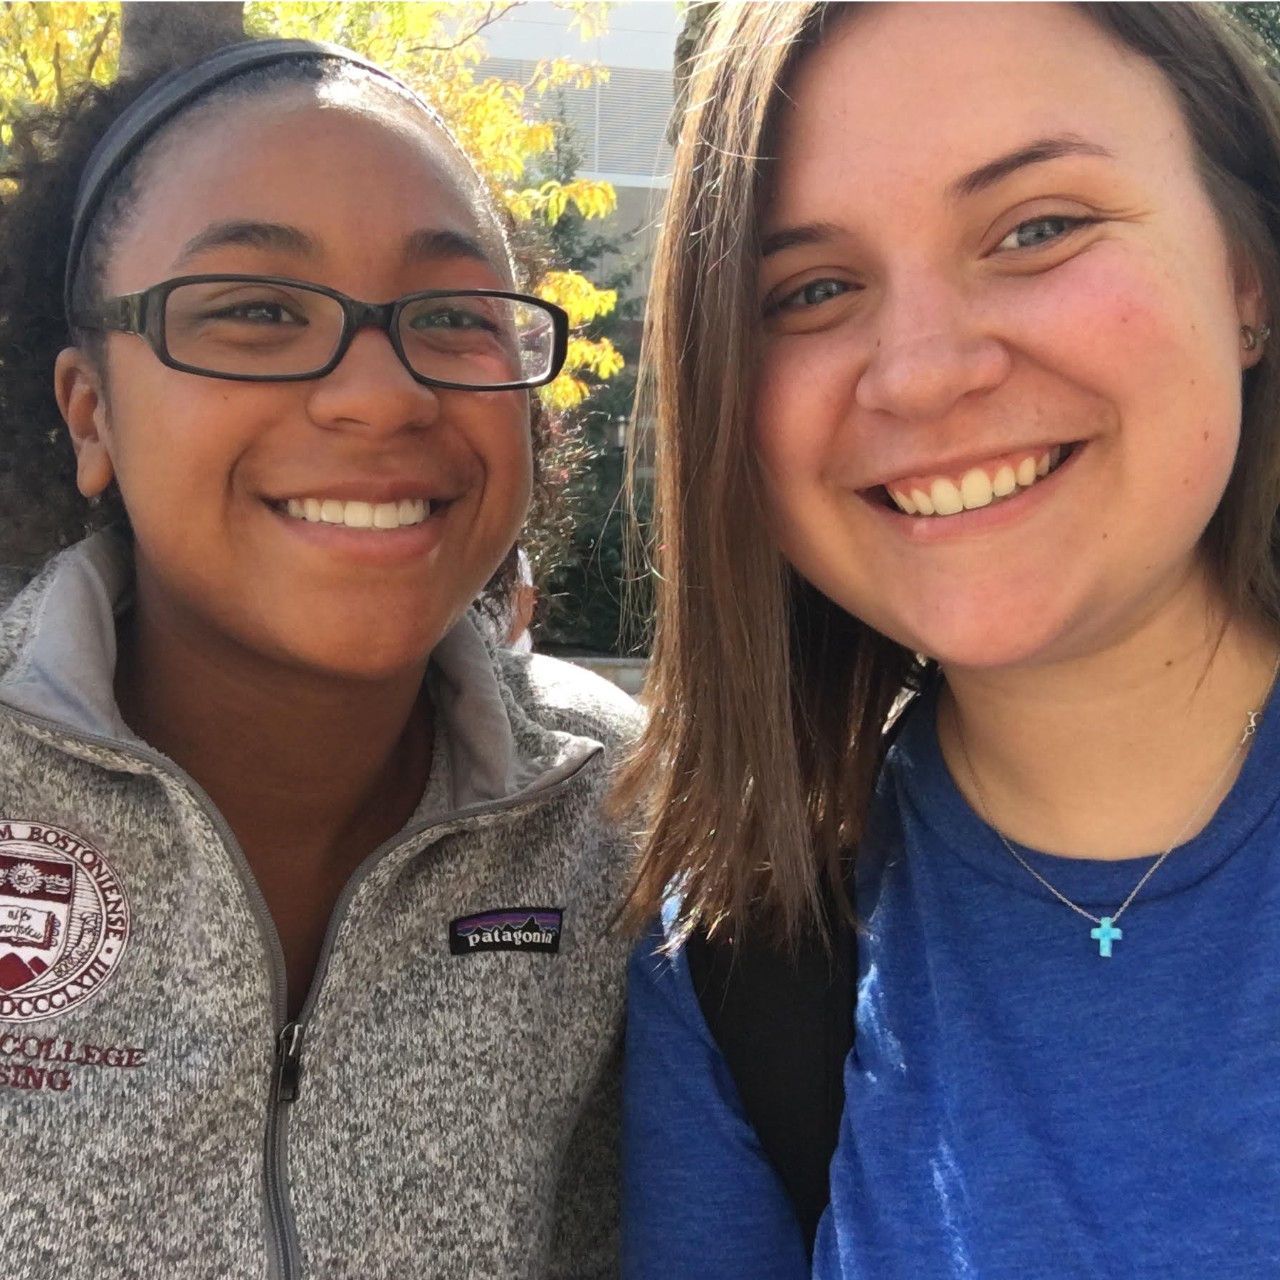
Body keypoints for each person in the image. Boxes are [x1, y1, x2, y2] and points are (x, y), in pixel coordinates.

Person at [618, 3, 1280, 1276]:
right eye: (809, 289)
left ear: (1244, 276)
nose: (918, 372)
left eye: (1036, 227)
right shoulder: (743, 952)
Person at [0, 37, 640, 1277]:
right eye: (253, 311)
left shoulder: (616, 811)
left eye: (451, 316)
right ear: (93, 414)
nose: (377, 396)